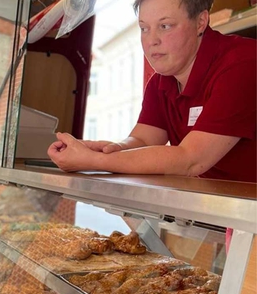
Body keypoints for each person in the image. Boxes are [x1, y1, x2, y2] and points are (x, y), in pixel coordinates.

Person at [48, 0, 256, 184]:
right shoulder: (160, 82)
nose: (151, 40)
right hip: (216, 212)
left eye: (165, 26)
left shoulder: (242, 63)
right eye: (144, 28)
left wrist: (94, 161)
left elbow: (191, 161)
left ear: (201, 22)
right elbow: (144, 140)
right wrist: (109, 148)